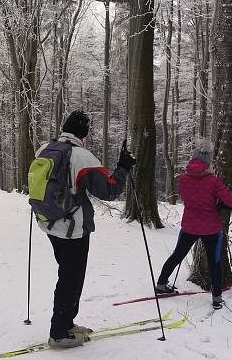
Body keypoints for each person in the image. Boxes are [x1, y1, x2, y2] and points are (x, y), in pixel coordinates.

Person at [36, 110, 136, 349]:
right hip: (73, 229)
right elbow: (108, 191)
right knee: (71, 278)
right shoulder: (82, 157)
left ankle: (66, 323)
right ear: (84, 134)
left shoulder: (44, 149)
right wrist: (123, 167)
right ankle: (59, 333)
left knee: (68, 274)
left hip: (49, 223)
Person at [155, 139, 232, 310]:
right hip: (211, 227)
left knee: (177, 255)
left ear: (193, 157)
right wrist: (222, 204)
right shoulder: (213, 181)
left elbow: (189, 197)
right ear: (208, 160)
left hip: (190, 225)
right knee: (214, 261)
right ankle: (217, 298)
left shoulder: (183, 179)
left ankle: (161, 284)